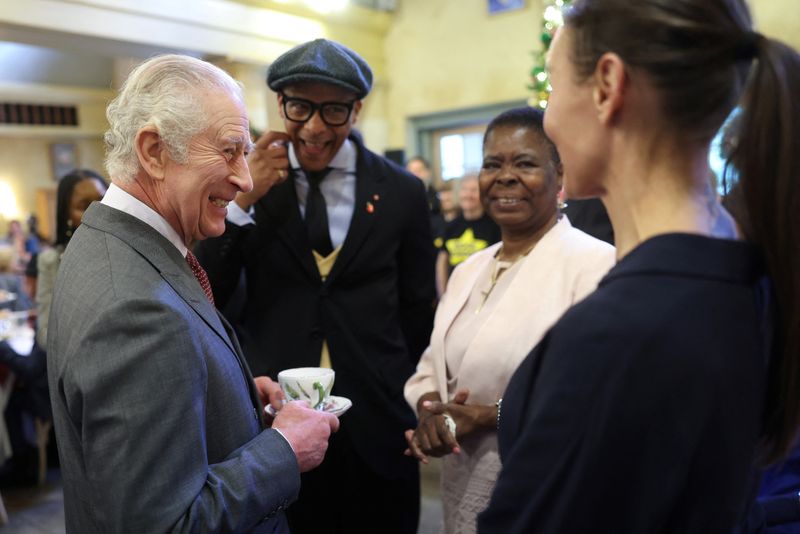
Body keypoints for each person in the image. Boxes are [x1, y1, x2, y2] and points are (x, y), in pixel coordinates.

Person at [478, 1, 800, 532]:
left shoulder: (620, 335)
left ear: (607, 85)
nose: (549, 118)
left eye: (553, 91)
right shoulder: (748, 275)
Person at [47, 54, 339, 533]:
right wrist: (283, 451)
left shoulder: (110, 242)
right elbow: (163, 524)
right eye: (229, 151)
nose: (246, 179)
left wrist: (241, 400)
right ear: (154, 152)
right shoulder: (135, 308)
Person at [195, 39, 436, 534]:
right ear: (280, 103)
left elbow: (417, 307)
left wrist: (408, 396)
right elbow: (206, 290)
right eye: (299, 107)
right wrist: (244, 203)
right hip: (278, 413)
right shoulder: (248, 185)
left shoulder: (402, 191)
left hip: (377, 410)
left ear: (358, 109)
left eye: (334, 110)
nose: (314, 127)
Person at [404, 106, 615, 533]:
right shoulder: (468, 270)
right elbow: (433, 365)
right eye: (492, 164)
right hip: (460, 482)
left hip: (544, 485)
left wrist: (487, 416)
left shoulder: (594, 264)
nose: (504, 176)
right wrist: (431, 416)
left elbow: (596, 394)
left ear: (561, 177)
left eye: (524, 163)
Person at [35, 169, 107, 348]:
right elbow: (46, 333)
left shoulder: (130, 250)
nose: (99, 211)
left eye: (103, 200)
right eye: (84, 206)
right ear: (67, 215)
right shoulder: (51, 261)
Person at [437, 175, 500, 294]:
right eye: (464, 189)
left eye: (473, 190)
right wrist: (442, 295)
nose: (468, 195)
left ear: (483, 195)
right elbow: (442, 262)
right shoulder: (452, 226)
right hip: (454, 293)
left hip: (482, 294)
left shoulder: (495, 227)